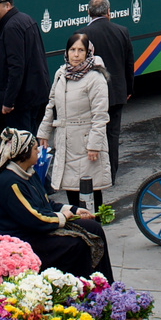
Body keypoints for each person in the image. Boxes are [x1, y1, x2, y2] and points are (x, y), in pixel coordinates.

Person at [0, 128, 112, 280]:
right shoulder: (10, 182)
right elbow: (34, 219)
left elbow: (46, 204)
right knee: (78, 244)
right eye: (35, 149)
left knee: (94, 228)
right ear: (24, 154)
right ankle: (82, 290)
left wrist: (73, 210)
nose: (38, 153)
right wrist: (63, 217)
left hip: (37, 229)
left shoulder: (28, 173)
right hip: (23, 238)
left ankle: (106, 284)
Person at [37, 32, 111, 211]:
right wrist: (44, 132)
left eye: (81, 50)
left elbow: (100, 115)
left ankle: (95, 230)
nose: (76, 54)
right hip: (66, 141)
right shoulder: (61, 74)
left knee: (90, 191)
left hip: (86, 144)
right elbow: (51, 104)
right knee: (70, 189)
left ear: (88, 53)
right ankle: (77, 232)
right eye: (72, 50)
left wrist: (94, 145)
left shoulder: (95, 78)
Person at [83, 0, 133, 184]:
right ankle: (111, 174)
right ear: (108, 12)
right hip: (117, 92)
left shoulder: (82, 34)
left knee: (94, 132)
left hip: (93, 95)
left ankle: (95, 173)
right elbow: (129, 64)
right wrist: (128, 88)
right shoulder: (122, 31)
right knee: (112, 134)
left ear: (88, 13)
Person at [0, 0, 48, 138]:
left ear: (7, 5)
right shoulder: (25, 19)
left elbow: (16, 68)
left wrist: (8, 101)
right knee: (31, 139)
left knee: (22, 144)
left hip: (21, 100)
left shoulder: (11, 27)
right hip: (33, 94)